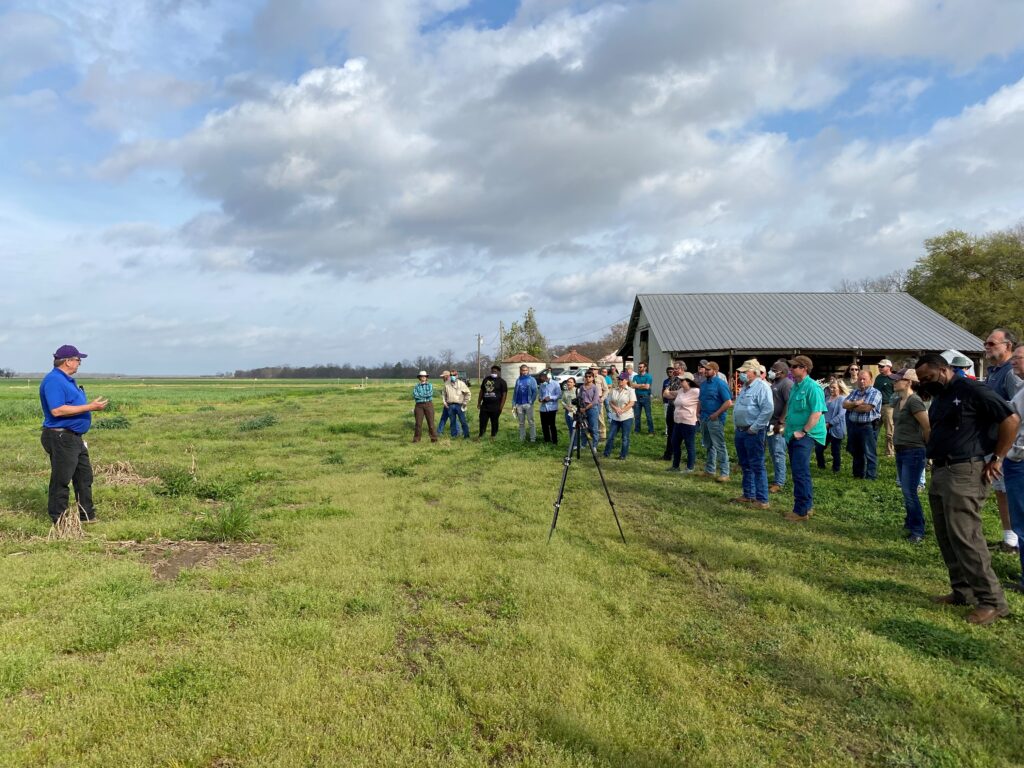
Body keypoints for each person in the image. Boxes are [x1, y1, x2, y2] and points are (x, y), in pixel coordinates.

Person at [915, 352, 1018, 625]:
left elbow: (1010, 419)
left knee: (966, 536)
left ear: (944, 369)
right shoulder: (941, 396)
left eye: (929, 377)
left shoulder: (972, 389)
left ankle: (992, 601)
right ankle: (963, 591)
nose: (925, 383)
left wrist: (998, 457)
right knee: (947, 535)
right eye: (922, 380)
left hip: (965, 471)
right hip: (941, 469)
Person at [39, 345, 109, 523]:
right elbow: (57, 410)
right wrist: (90, 407)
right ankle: (59, 520)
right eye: (78, 360)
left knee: (84, 477)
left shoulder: (67, 380)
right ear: (68, 361)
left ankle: (87, 516)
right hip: (61, 436)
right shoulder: (54, 380)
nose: (79, 363)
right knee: (61, 479)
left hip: (74, 437)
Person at [982, 328, 1023, 554]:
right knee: (1001, 490)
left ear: (1007, 346)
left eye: (992, 343)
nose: (987, 347)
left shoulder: (1011, 373)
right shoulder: (995, 371)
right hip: (996, 440)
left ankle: (1014, 539)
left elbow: (1016, 414)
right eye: (986, 344)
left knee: (1009, 491)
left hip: (1008, 445)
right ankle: (1010, 537)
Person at [783, 355, 827, 522]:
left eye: (795, 367)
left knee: (800, 472)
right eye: (791, 366)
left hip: (806, 435)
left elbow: (817, 413)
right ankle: (807, 506)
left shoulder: (813, 387)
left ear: (804, 368)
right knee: (800, 471)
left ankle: (800, 512)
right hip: (793, 434)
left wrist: (803, 431)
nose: (791, 369)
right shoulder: (795, 386)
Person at [891, 368, 930, 544]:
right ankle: (911, 522)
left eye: (898, 379)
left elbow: (927, 426)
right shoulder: (899, 401)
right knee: (906, 490)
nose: (894, 382)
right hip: (901, 450)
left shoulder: (914, 401)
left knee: (909, 491)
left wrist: (929, 450)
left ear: (908, 382)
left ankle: (918, 530)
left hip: (913, 451)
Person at [731, 358, 774, 509]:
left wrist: (755, 428)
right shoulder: (745, 387)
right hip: (741, 430)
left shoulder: (762, 387)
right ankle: (748, 494)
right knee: (745, 464)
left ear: (754, 372)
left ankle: (762, 499)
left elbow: (767, 409)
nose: (742, 374)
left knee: (757, 465)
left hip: (753, 432)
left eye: (745, 371)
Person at [1004, 343, 1024, 593]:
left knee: (1021, 520)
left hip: (1020, 462)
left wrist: (1014, 453)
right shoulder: (1021, 388)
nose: (1013, 361)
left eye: (1018, 358)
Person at [843, 369, 882, 479]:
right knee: (856, 452)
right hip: (854, 425)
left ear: (870, 380)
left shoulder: (875, 392)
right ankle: (858, 475)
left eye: (864, 379)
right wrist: (856, 403)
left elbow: (866, 408)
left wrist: (852, 406)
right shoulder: (855, 392)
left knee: (869, 452)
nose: (862, 381)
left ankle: (871, 476)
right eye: (860, 379)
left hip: (868, 426)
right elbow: (844, 405)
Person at [698, 361, 733, 482]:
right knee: (709, 445)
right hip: (704, 417)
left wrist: (716, 414)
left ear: (715, 371)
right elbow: (700, 400)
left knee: (719, 445)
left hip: (715, 419)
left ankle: (725, 473)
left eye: (708, 369)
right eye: (705, 369)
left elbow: (728, 402)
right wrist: (698, 413)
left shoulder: (720, 384)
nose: (705, 371)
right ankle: (710, 470)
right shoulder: (703, 384)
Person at [767, 360, 792, 493]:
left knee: (778, 453)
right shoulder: (775, 383)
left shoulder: (786, 384)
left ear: (782, 372)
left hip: (779, 424)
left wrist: (781, 421)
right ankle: (777, 478)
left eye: (774, 370)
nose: (771, 371)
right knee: (773, 452)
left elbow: (789, 403)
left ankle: (780, 482)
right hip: (771, 423)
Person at [666, 372, 699, 472]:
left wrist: (698, 413)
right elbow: (669, 394)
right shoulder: (681, 391)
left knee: (689, 445)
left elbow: (703, 401)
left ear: (688, 381)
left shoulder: (696, 391)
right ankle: (675, 466)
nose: (680, 382)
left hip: (689, 422)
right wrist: (667, 390)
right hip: (678, 421)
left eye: (682, 380)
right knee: (675, 443)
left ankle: (690, 467)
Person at [816, 379, 848, 473]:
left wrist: (830, 424)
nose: (831, 389)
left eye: (834, 388)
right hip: (824, 427)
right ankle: (821, 466)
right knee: (819, 448)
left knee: (835, 450)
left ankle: (836, 469)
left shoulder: (842, 399)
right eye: (830, 387)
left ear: (839, 388)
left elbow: (841, 414)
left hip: (836, 428)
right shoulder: (826, 398)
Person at [603, 373, 636, 459]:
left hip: (627, 417)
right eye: (619, 379)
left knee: (625, 437)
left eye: (621, 379)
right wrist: (616, 408)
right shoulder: (614, 390)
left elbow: (631, 403)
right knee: (610, 436)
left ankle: (623, 455)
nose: (619, 381)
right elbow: (610, 402)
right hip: (615, 417)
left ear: (626, 380)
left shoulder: (630, 390)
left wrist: (622, 410)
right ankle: (606, 453)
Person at [477, 365, 507, 439]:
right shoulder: (486, 379)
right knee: (482, 421)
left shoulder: (502, 382)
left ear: (498, 372)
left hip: (496, 406)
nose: (493, 372)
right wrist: (479, 402)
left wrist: (501, 406)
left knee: (494, 422)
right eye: (492, 371)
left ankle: (493, 436)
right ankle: (481, 435)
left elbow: (504, 395)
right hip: (485, 406)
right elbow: (481, 391)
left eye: (495, 371)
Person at [874, 359, 896, 457]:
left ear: (889, 367)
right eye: (879, 366)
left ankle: (889, 452)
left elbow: (897, 393)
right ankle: (872, 449)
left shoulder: (893, 378)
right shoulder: (878, 377)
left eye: (882, 366)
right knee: (874, 429)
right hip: (877, 406)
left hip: (888, 406)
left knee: (889, 431)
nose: (880, 368)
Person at [512, 364, 538, 442]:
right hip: (519, 404)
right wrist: (513, 403)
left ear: (528, 370)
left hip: (528, 404)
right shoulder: (518, 380)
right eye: (523, 370)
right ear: (520, 371)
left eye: (526, 370)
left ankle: (533, 438)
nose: (525, 372)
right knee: (521, 423)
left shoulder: (532, 379)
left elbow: (535, 391)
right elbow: (515, 393)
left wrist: (531, 402)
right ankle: (522, 438)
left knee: (531, 422)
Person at [443, 369, 471, 439]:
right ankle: (454, 436)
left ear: (457, 375)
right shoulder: (446, 384)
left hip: (460, 405)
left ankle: (466, 436)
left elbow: (468, 393)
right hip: (450, 405)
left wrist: (465, 402)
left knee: (463, 421)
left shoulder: (462, 384)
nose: (453, 376)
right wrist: (444, 402)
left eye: (454, 375)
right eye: (451, 375)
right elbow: (443, 394)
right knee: (452, 422)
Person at [412, 371, 438, 443]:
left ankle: (434, 439)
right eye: (422, 376)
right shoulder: (416, 386)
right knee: (418, 423)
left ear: (426, 377)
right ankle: (416, 439)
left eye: (424, 376)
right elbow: (415, 395)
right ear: (419, 378)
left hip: (428, 404)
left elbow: (430, 394)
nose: (423, 377)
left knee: (431, 423)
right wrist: (424, 396)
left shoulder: (430, 385)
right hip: (419, 406)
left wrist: (420, 396)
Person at [578, 371, 601, 450]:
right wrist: (581, 407)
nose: (588, 378)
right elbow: (579, 398)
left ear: (593, 378)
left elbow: (595, 401)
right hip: (583, 409)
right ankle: (583, 444)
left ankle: (594, 445)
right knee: (583, 427)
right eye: (586, 376)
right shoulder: (582, 387)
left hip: (592, 409)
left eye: (589, 376)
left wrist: (586, 408)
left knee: (594, 427)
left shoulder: (595, 387)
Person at [537, 372, 562, 444]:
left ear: (546, 377)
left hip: (552, 408)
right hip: (543, 408)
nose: (542, 382)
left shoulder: (555, 384)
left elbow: (559, 395)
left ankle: (554, 441)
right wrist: (540, 399)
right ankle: (547, 440)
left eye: (543, 380)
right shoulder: (542, 385)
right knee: (544, 425)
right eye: (541, 381)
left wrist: (550, 397)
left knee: (552, 425)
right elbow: (540, 395)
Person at [661, 364, 680, 459]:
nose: (673, 371)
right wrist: (673, 394)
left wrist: (671, 393)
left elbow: (682, 395)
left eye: (676, 369)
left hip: (680, 409)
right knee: (670, 432)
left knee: (680, 433)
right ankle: (668, 454)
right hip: (671, 407)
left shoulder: (685, 380)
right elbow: (665, 393)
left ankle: (677, 455)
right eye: (674, 369)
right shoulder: (671, 380)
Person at [630, 362, 654, 434]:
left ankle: (651, 431)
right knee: (637, 415)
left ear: (645, 368)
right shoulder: (635, 376)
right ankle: (637, 430)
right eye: (639, 367)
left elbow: (647, 387)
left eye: (641, 367)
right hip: (636, 398)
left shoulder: (648, 376)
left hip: (646, 397)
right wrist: (642, 385)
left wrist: (637, 385)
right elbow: (632, 386)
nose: (639, 368)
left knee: (648, 415)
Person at [560, 377, 579, 446]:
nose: (569, 383)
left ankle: (576, 444)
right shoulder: (565, 391)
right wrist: (566, 407)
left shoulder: (577, 391)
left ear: (574, 383)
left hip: (575, 412)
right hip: (567, 412)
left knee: (575, 428)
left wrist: (574, 407)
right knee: (570, 428)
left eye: (571, 382)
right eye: (568, 382)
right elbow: (562, 401)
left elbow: (580, 401)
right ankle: (572, 444)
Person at [436, 371, 453, 436]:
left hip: (450, 403)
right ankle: (439, 431)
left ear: (447, 376)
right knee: (444, 417)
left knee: (452, 418)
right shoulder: (446, 382)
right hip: (446, 403)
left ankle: (458, 431)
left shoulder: (450, 382)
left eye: (443, 376)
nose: (442, 378)